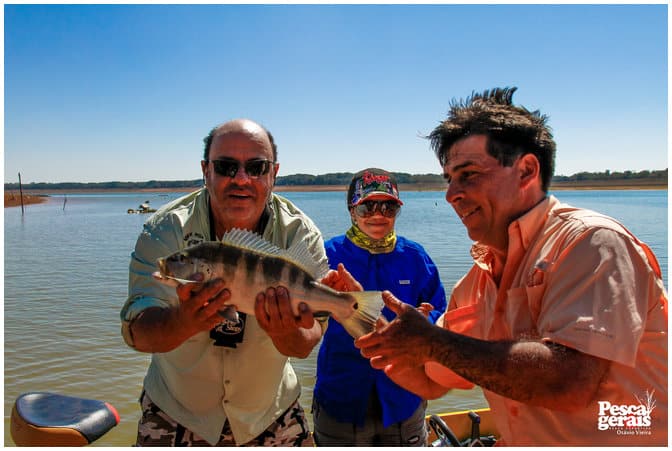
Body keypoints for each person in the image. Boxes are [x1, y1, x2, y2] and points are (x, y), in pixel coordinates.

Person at [355, 87, 668, 446]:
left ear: (526, 171)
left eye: (468, 174)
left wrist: (433, 343)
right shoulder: (478, 281)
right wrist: (353, 312)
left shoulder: (591, 243)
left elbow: (569, 382)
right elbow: (430, 378)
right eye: (449, 179)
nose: (451, 193)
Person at [120, 118, 328, 446]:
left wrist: (286, 332)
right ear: (206, 171)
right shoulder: (166, 231)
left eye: (257, 167)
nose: (241, 179)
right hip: (176, 411)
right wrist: (182, 321)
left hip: (269, 412)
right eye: (226, 166)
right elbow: (135, 331)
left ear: (274, 173)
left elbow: (304, 344)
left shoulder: (299, 235)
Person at [312, 168, 447, 446]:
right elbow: (306, 318)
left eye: (388, 207)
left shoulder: (416, 257)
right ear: (352, 210)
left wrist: (427, 322)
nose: (378, 214)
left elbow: (444, 316)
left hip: (404, 398)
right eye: (368, 206)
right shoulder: (326, 254)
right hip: (341, 396)